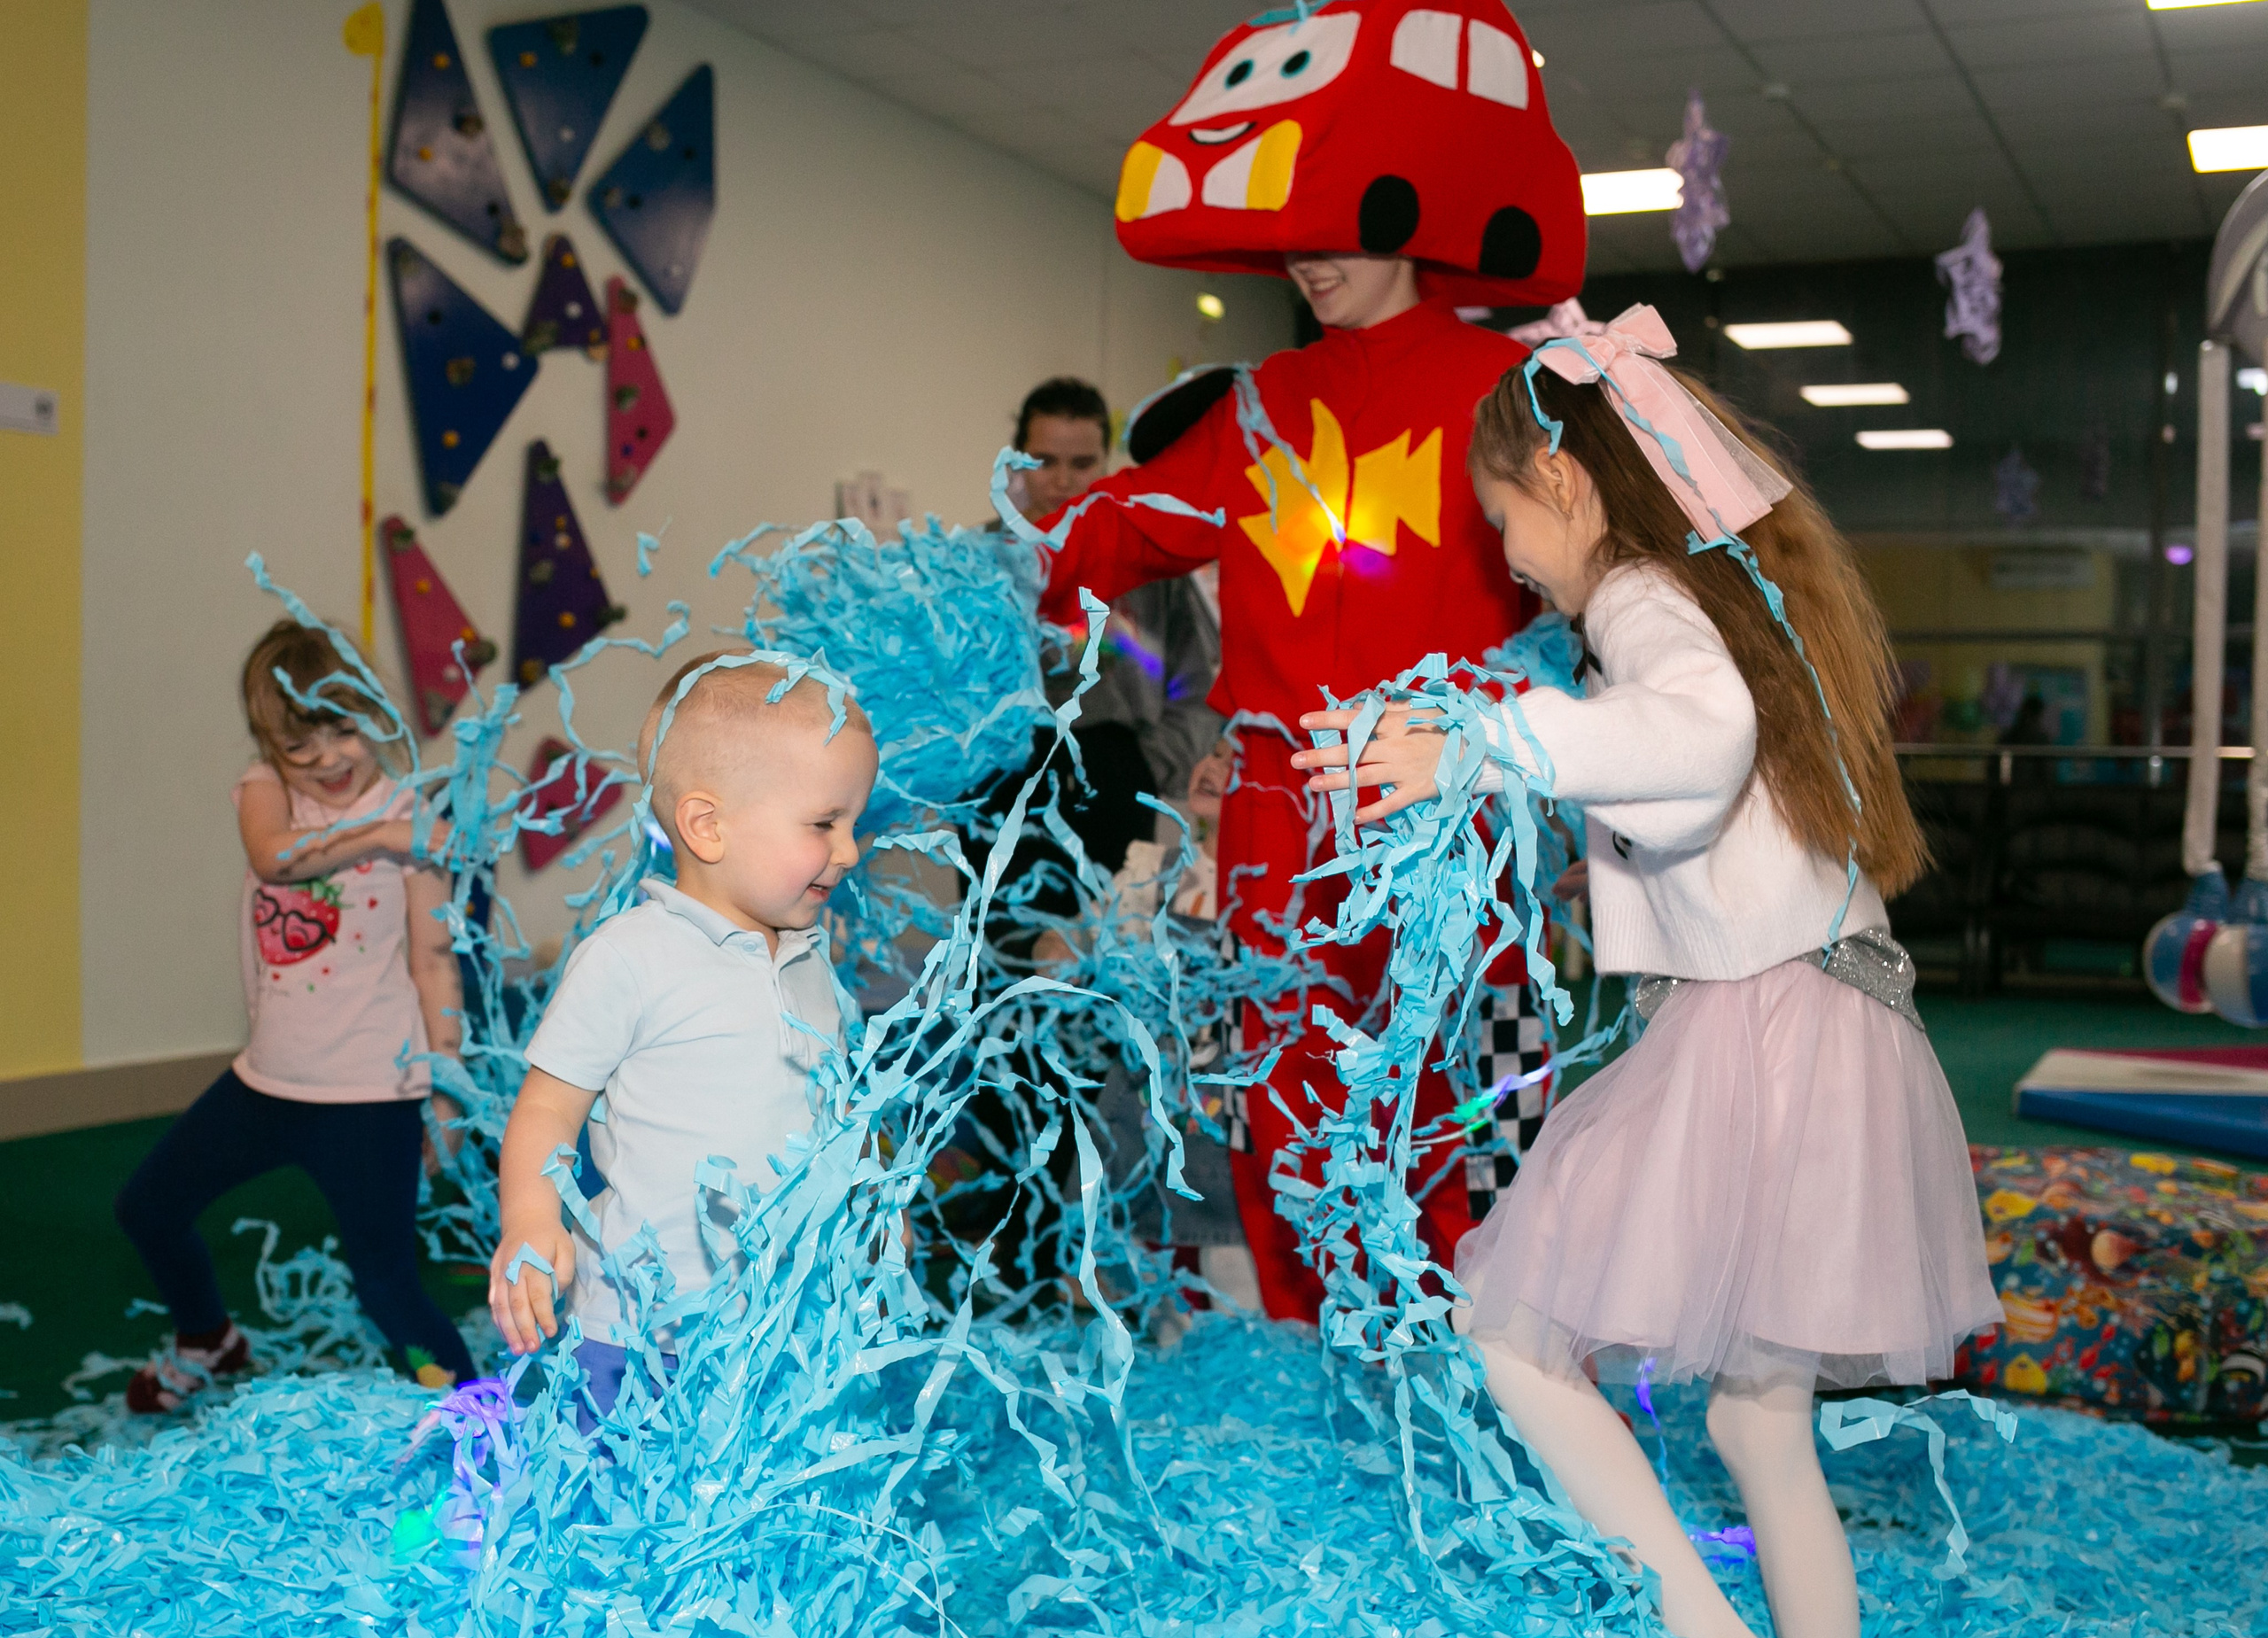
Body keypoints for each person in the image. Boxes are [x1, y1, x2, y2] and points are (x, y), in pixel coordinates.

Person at [1292, 307, 2000, 1638]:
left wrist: (1485, 746)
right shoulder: (1720, 592)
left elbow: (1698, 737)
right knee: (1757, 1421)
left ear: (1561, 482)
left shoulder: (1637, 595)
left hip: (1762, 1030)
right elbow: (1726, 802)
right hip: (1839, 1012)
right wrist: (1612, 874)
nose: (1506, 558)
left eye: (1502, 519)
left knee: (1510, 1337)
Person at [1029, 0, 1586, 1320]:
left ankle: (1482, 1365)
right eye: (1291, 227)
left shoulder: (1509, 389)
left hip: (1448, 814)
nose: (1306, 258)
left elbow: (1594, 593)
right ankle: (1308, 1357)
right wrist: (975, 576)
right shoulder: (1260, 408)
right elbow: (1109, 535)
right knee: (1278, 1100)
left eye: (1334, 224)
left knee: (1470, 1092)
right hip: (1278, 824)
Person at [486, 654, 879, 1426]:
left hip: (784, 1328)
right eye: (825, 824)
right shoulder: (631, 957)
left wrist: (870, 1195)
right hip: (642, 1335)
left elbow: (834, 1105)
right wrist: (531, 1219)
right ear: (707, 825)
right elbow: (548, 1108)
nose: (850, 851)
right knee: (618, 1494)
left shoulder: (810, 960)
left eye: (854, 824)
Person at [113, 619, 476, 1410]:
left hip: (370, 1098)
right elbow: (272, 857)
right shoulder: (269, 793)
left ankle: (483, 1425)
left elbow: (433, 961)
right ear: (269, 748)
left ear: (373, 712)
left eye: (343, 731)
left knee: (388, 1289)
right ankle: (208, 1336)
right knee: (147, 1207)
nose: (328, 760)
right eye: (298, 746)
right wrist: (383, 835)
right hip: (267, 1086)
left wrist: (446, 1093)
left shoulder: (408, 812)